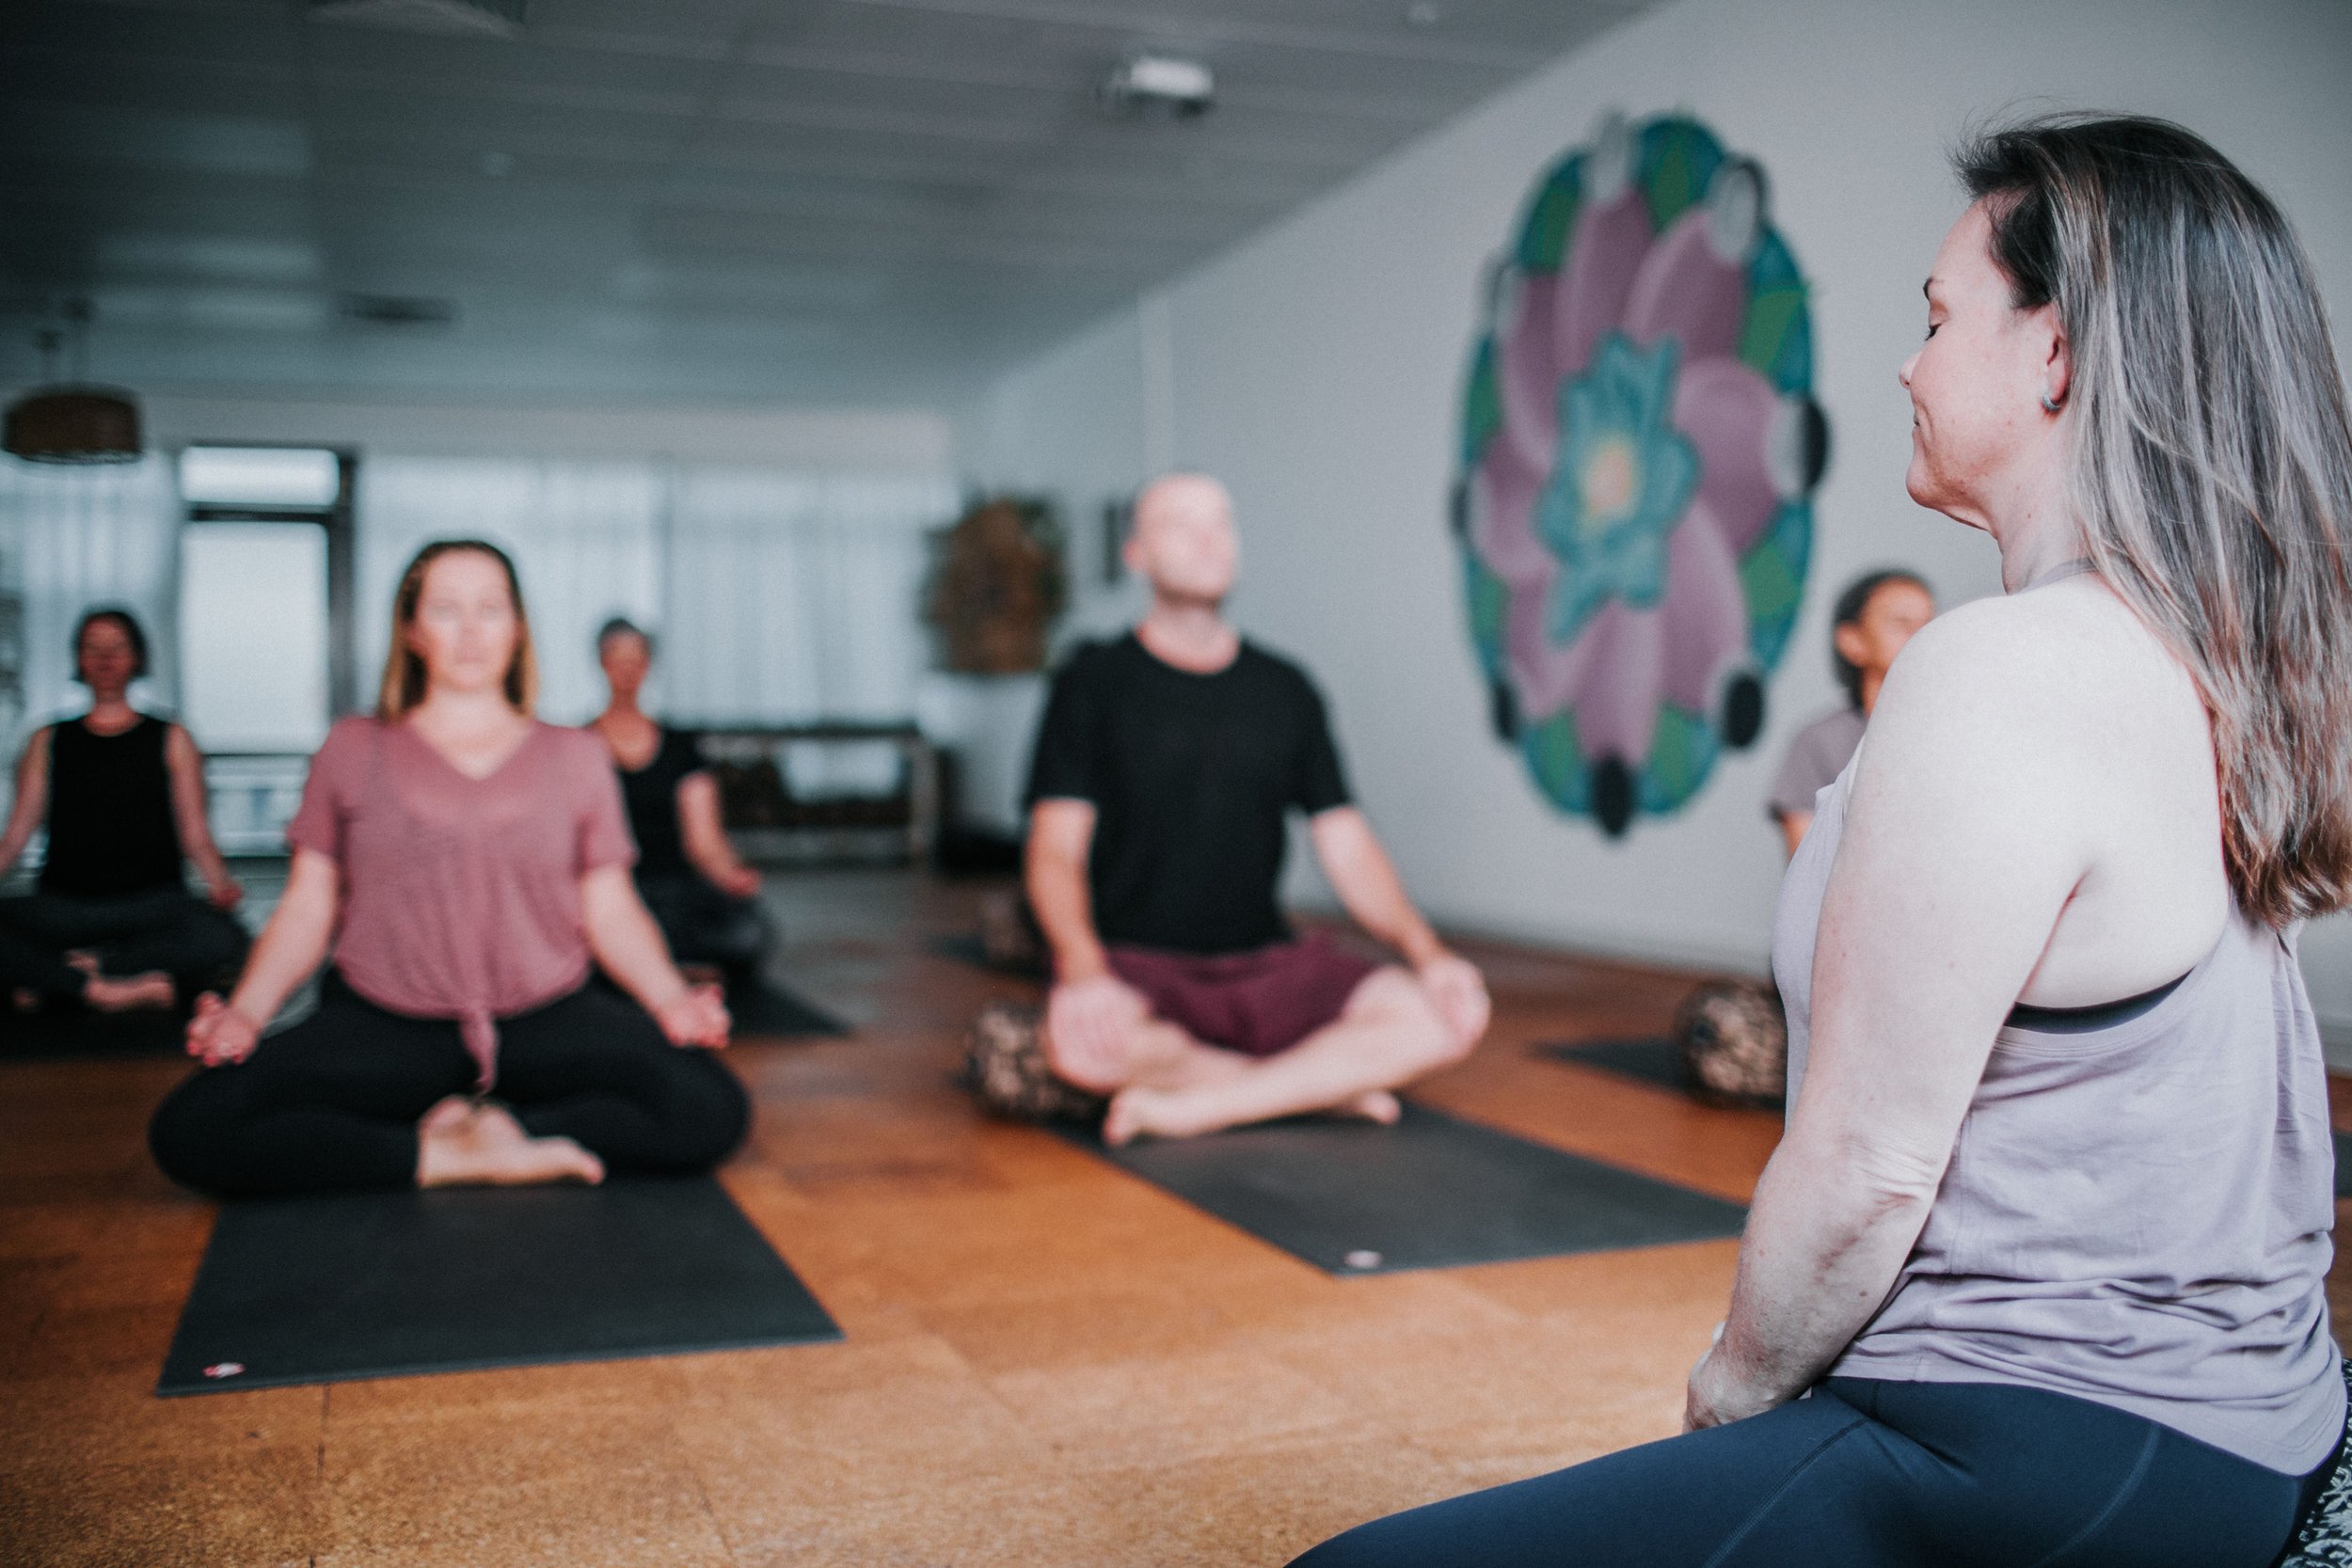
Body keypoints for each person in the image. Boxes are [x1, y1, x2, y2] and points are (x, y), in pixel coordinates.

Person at [1294, 115, 2350, 1567]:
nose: (1910, 365)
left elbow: (1866, 1165)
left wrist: (1732, 1389)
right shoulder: (2211, 661)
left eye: (1935, 317)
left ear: (2055, 353)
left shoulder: (2007, 669)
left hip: (2038, 1442)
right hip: (2233, 1429)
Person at [149, 541, 748, 1196]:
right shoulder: (354, 746)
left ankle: (507, 1127)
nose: (470, 631)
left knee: (711, 1106)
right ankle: (440, 1155)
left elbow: (609, 905)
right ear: (412, 630)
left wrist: (670, 1000)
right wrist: (246, 1013)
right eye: (446, 609)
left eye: (490, 609)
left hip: (543, 1011)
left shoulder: (575, 754)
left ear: (517, 628)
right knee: (193, 1125)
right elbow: (307, 905)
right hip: (387, 1015)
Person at [1020, 473, 1490, 1147]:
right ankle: (1309, 1088)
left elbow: (1347, 843)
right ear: (1137, 555)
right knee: (1079, 1047)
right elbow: (1054, 850)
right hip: (1137, 964)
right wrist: (1084, 968)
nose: (1209, 539)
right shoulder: (1091, 684)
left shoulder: (1286, 689)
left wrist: (1430, 951)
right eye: (1181, 523)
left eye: (1222, 521)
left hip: (1268, 967)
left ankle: (1201, 1103)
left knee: (1444, 1017)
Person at [0, 608, 248, 1020]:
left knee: (223, 939)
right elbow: (14, 837)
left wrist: (220, 883)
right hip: (65, 907)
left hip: (152, 906)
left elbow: (195, 834)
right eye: (93, 649)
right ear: (79, 659)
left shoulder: (172, 737)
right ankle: (106, 986)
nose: (105, 659)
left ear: (136, 657)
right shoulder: (47, 740)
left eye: (117, 648)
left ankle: (67, 976)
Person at [588, 618, 770, 989]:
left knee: (750, 934)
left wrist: (729, 873)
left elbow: (704, 840)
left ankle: (646, 962)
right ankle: (661, 963)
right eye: (617, 658)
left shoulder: (681, 747)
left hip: (674, 890)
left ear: (649, 665)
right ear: (602, 663)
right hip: (610, 891)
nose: (628, 669)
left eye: (636, 658)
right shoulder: (579, 746)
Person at [1765, 569, 1934, 856]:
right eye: (1901, 623)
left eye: (1929, 624)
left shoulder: (1955, 732)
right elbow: (1808, 866)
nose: (1921, 636)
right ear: (1851, 640)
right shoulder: (1819, 742)